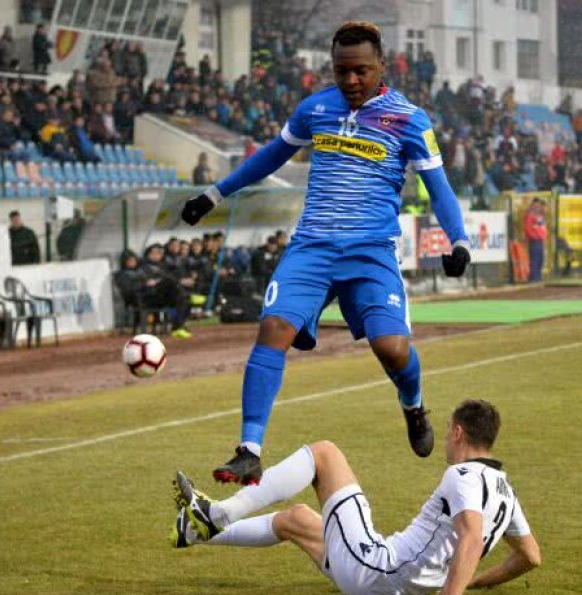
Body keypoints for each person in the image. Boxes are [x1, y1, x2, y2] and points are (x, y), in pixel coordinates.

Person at [179, 21, 471, 486]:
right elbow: (272, 155)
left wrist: (459, 241)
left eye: (361, 71)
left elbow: (439, 187)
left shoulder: (409, 119)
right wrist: (215, 194)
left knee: (392, 349)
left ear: (381, 66)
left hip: (371, 251)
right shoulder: (315, 108)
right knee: (272, 327)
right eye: (341, 71)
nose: (351, 81)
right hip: (312, 246)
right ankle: (249, 451)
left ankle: (413, 405)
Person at [170, 398, 541, 595]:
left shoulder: (462, 475)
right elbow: (529, 557)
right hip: (397, 590)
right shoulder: (506, 491)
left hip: (375, 569)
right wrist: (476, 582)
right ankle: (198, 531)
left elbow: (471, 537)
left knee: (324, 453)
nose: (445, 438)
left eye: (447, 431)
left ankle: (219, 512)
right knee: (296, 518)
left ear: (458, 433)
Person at [523, 199, 548, 282]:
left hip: (540, 239)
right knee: (535, 260)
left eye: (539, 205)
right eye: (536, 205)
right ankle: (534, 278)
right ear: (533, 205)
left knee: (540, 259)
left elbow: (542, 227)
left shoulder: (540, 215)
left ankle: (537, 277)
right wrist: (533, 237)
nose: (538, 207)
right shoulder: (530, 215)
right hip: (534, 240)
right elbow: (528, 228)